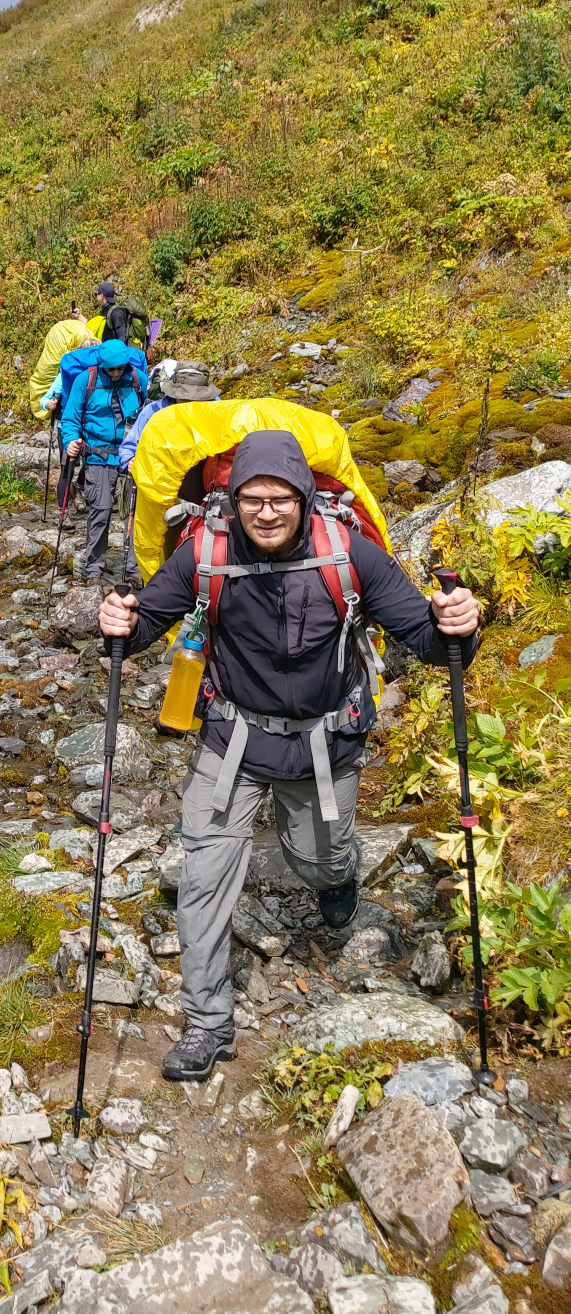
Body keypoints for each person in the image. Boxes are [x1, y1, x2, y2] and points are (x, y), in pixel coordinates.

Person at [98, 429, 481, 1083]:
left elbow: (424, 637)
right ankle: (207, 1023)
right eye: (253, 499)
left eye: (281, 498)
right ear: (233, 500)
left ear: (304, 498)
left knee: (317, 860)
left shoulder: (348, 554)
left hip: (323, 745)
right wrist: (118, 623)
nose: (267, 512)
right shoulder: (205, 553)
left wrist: (457, 626)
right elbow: (144, 623)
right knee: (202, 877)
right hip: (232, 741)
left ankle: (338, 878)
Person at [60, 338, 144, 586]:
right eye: (111, 369)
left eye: (120, 368)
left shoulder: (137, 378)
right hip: (98, 456)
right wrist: (70, 441)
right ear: (102, 365)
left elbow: (149, 413)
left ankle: (134, 569)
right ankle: (94, 570)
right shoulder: (85, 381)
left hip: (132, 457)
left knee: (134, 513)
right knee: (100, 512)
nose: (116, 373)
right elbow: (70, 419)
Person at [117, 360, 220, 471]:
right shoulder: (154, 410)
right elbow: (129, 446)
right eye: (183, 398)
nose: (188, 403)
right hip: (161, 474)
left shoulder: (217, 410)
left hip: (204, 474)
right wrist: (129, 460)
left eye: (194, 399)